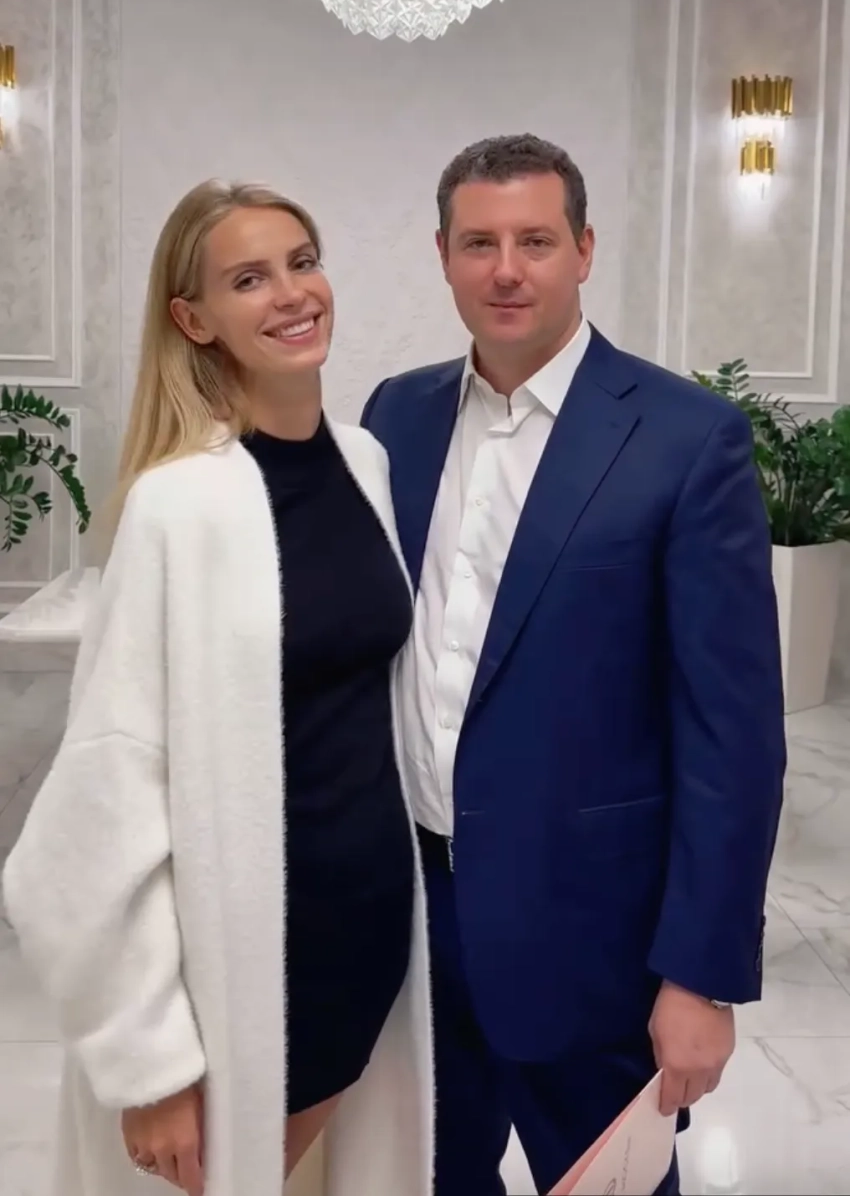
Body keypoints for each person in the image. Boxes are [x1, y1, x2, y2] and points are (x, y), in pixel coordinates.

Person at [361, 133, 786, 1196]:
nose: (507, 269)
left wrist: (701, 976)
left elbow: (732, 738)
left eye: (536, 241)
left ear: (584, 250)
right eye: (479, 243)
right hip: (412, 924)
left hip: (592, 938)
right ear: (443, 255)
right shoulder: (393, 416)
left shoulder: (688, 439)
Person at [3, 180, 434, 1196]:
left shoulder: (366, 463)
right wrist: (147, 1063)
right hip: (245, 960)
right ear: (193, 319)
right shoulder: (178, 505)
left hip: (369, 933)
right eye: (249, 279)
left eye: (302, 261)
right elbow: (100, 802)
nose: (291, 293)